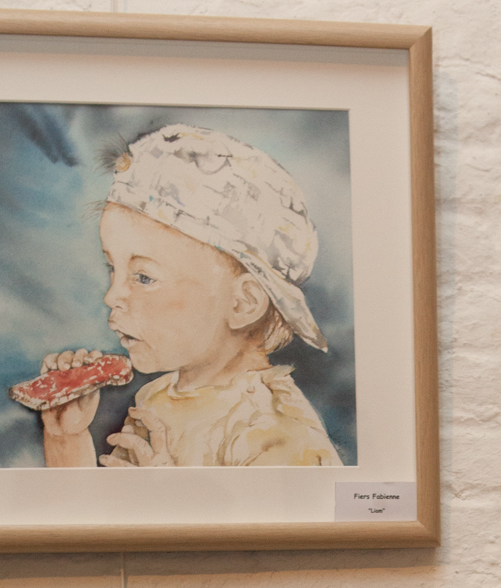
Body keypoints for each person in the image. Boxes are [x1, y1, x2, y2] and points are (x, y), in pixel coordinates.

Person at [38, 124, 342, 470]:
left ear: (243, 303)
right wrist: (68, 440)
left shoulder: (281, 434)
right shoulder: (155, 398)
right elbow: (104, 505)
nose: (111, 296)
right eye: (112, 268)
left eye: (144, 277)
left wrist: (172, 495)